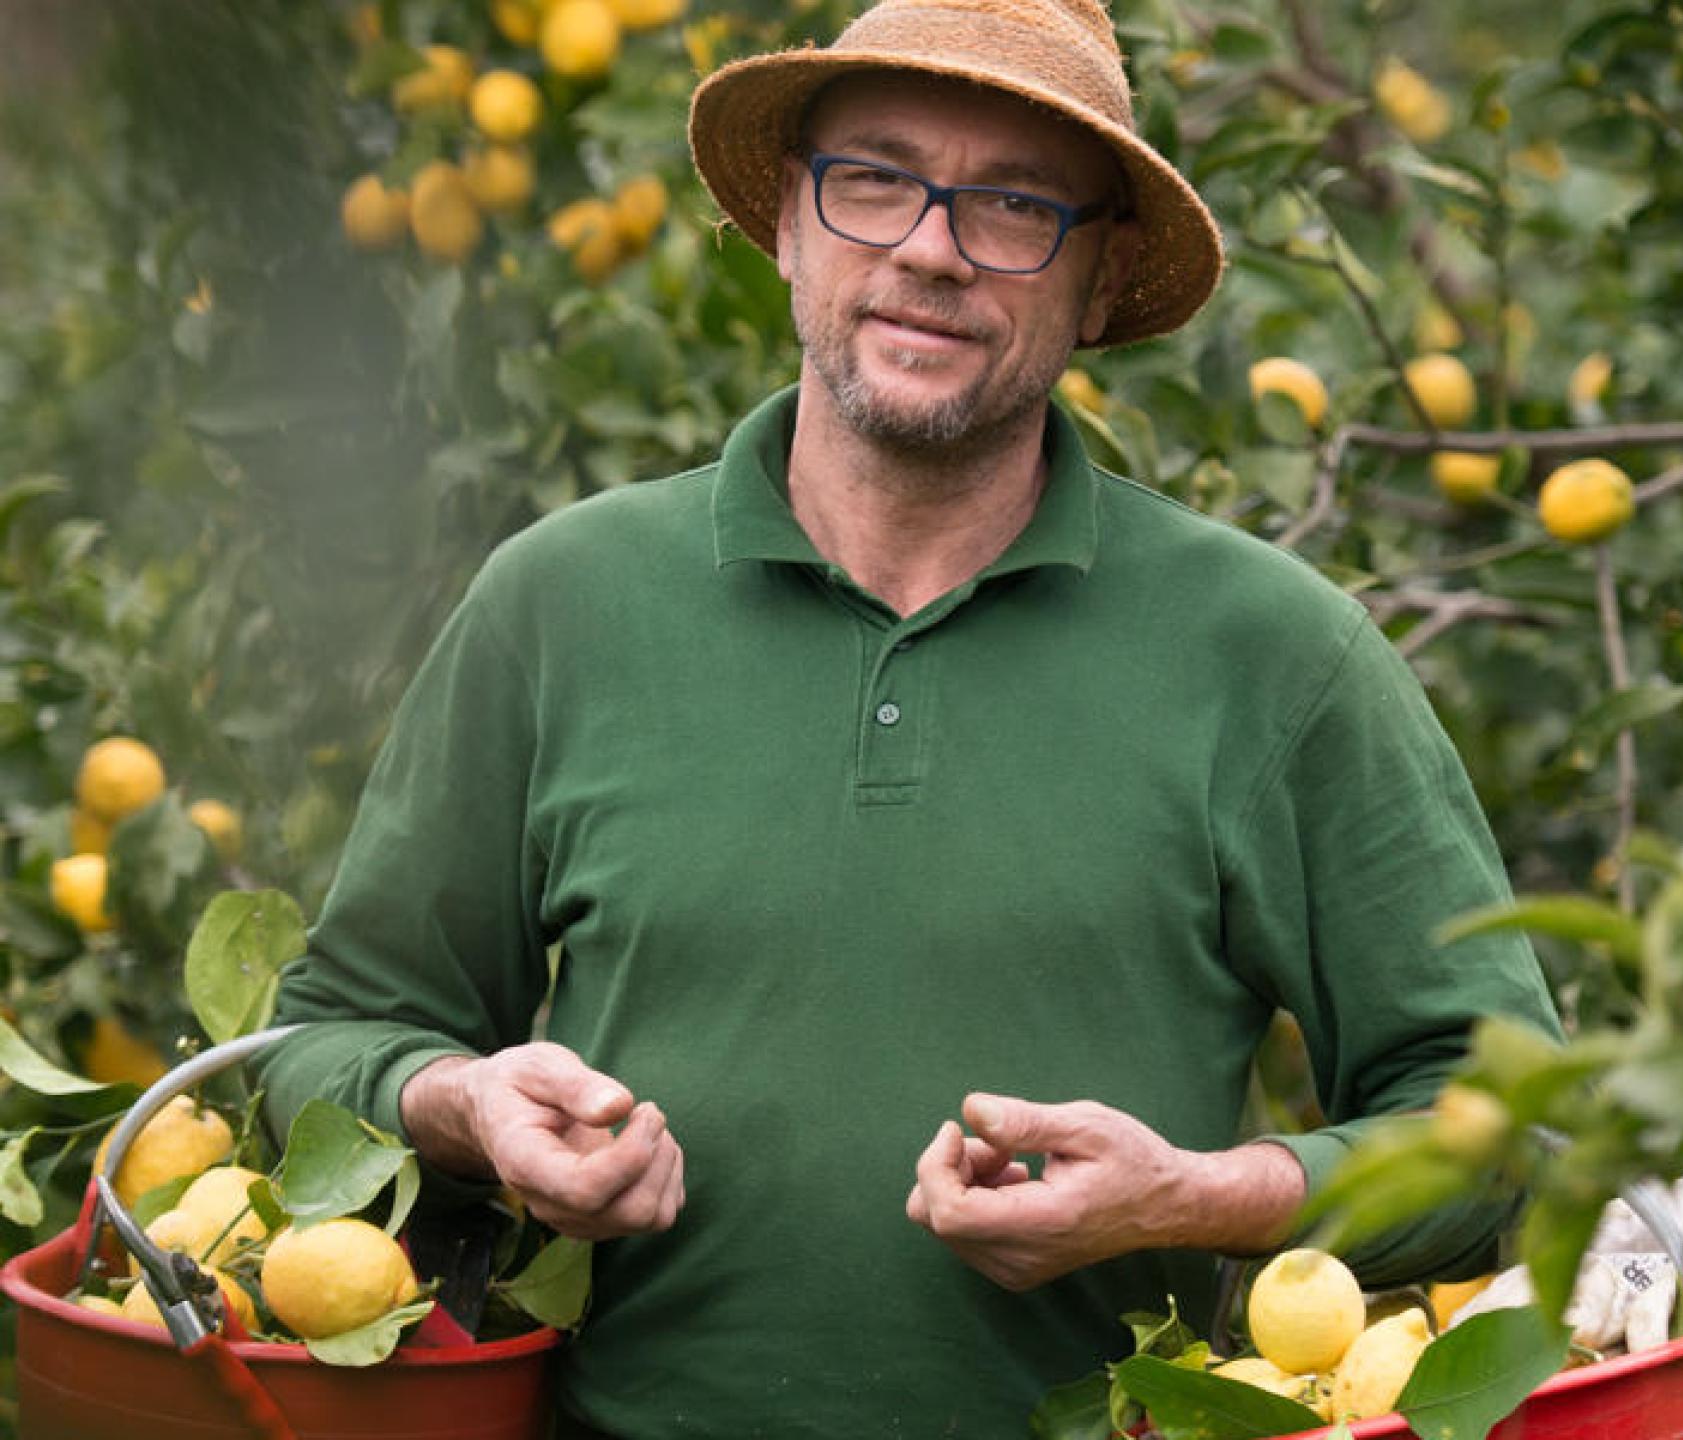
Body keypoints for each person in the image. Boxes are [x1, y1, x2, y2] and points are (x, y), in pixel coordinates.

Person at [258, 1, 1563, 1436]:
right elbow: (335, 1038)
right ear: (790, 221)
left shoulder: (1272, 655)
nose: (930, 248)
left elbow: (1506, 1126)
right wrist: (470, 1108)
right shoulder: (561, 606)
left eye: (1013, 204)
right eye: (874, 178)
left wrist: (1194, 1199)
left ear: (1102, 270)